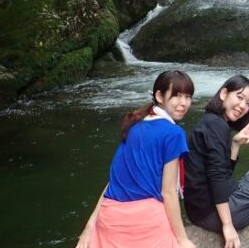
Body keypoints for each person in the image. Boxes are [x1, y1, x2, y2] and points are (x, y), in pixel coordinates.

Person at [76, 69, 196, 248]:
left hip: (109, 219)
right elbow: (168, 192)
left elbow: (114, 181)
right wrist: (182, 239)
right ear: (159, 96)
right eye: (177, 96)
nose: (184, 103)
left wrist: (89, 227)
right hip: (143, 223)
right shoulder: (174, 133)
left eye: (188, 97)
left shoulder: (134, 125)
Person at [184, 75, 249, 248]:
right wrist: (227, 225)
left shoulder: (210, 121)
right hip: (210, 214)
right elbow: (218, 176)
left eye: (248, 103)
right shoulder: (217, 125)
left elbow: (224, 175)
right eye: (239, 97)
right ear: (224, 93)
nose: (243, 106)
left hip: (197, 211)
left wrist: (235, 144)